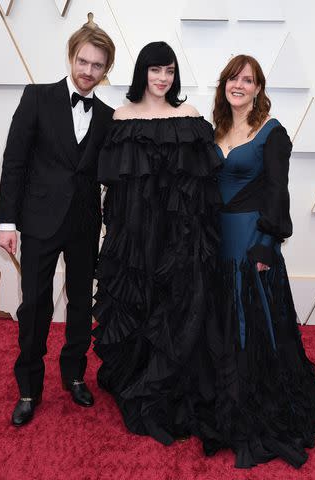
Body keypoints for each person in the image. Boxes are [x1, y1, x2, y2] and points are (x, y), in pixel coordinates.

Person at [210, 54, 315, 468]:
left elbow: (277, 192)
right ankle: (224, 390)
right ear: (224, 84)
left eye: (248, 80)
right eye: (234, 78)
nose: (240, 85)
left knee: (252, 319)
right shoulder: (217, 130)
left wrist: (267, 246)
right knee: (223, 317)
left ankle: (253, 398)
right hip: (217, 240)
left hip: (251, 240)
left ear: (259, 88)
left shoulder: (272, 132)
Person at [92, 41, 222, 444]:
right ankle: (137, 372)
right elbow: (115, 188)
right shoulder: (122, 117)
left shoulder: (191, 116)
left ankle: (172, 379)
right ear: (142, 73)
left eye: (169, 71)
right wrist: (118, 237)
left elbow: (203, 186)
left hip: (178, 236)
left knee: (177, 306)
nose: (162, 78)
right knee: (138, 303)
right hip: (135, 234)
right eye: (155, 70)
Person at [0, 16, 115, 427]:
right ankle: (29, 386)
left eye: (98, 65)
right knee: (35, 306)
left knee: (81, 305)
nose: (88, 71)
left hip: (84, 223)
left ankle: (75, 375)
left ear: (106, 70)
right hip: (39, 219)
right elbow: (14, 161)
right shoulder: (37, 97)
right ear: (71, 57)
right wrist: (7, 222)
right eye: (83, 61)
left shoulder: (108, 115)